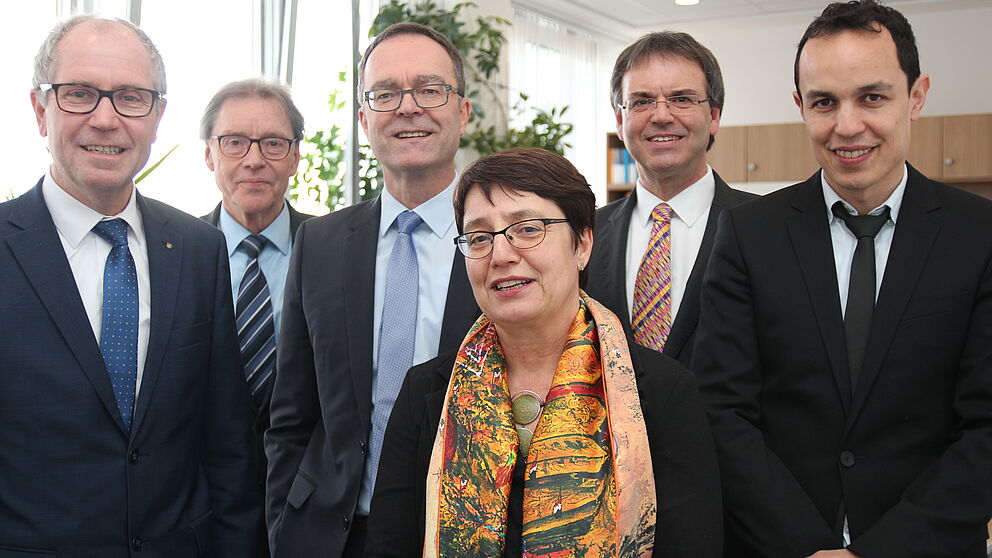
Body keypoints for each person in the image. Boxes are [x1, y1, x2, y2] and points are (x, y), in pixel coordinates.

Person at [692, 1, 992, 556]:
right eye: (824, 102)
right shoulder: (749, 235)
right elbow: (722, 411)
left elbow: (985, 429)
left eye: (872, 97)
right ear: (800, 106)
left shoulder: (979, 236)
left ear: (917, 97)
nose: (847, 125)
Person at [365, 148, 722, 557]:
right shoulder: (427, 390)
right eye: (480, 238)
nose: (501, 255)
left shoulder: (661, 392)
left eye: (528, 229)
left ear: (582, 244)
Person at [0, 15, 260, 554]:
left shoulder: (198, 248)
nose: (105, 118)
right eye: (79, 94)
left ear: (158, 115)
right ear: (39, 109)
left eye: (131, 98)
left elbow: (228, 445)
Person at [265, 22, 479, 557]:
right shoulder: (320, 243)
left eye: (430, 89)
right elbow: (292, 415)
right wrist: (283, 526)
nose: (408, 108)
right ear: (364, 119)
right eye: (386, 94)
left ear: (463, 111)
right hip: (332, 537)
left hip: (464, 535)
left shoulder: (505, 243)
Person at [585, 31, 756, 366]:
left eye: (682, 99)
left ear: (714, 117)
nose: (661, 116)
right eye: (642, 101)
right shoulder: (584, 234)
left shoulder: (765, 228)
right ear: (621, 121)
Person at [199, 78, 314, 557]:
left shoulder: (335, 251)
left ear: (294, 157)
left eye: (272, 143)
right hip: (203, 506)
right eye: (234, 142)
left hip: (309, 503)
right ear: (210, 155)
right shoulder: (174, 254)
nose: (253, 159)